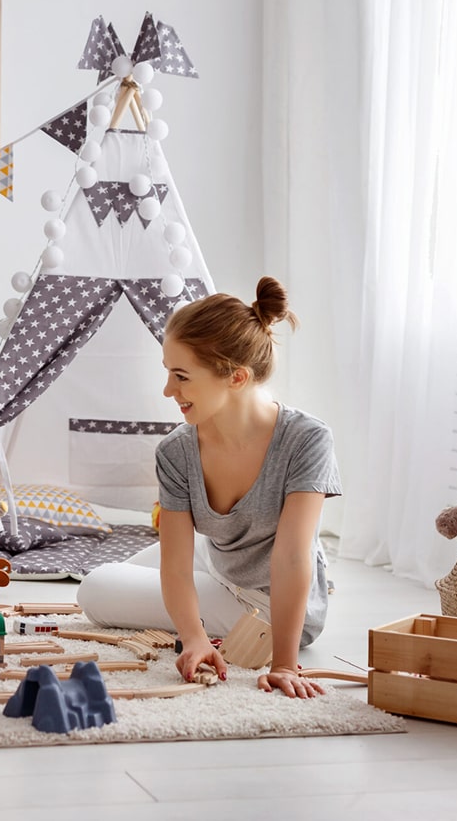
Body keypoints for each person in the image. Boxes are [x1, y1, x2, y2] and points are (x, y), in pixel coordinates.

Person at [76, 277, 341, 698]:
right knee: (141, 573)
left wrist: (285, 664)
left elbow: (292, 558)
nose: (168, 390)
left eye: (181, 376)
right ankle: (199, 601)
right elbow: (176, 566)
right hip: (217, 559)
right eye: (167, 373)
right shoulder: (177, 451)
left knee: (96, 588)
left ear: (236, 378)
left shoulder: (306, 439)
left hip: (265, 605)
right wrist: (194, 637)